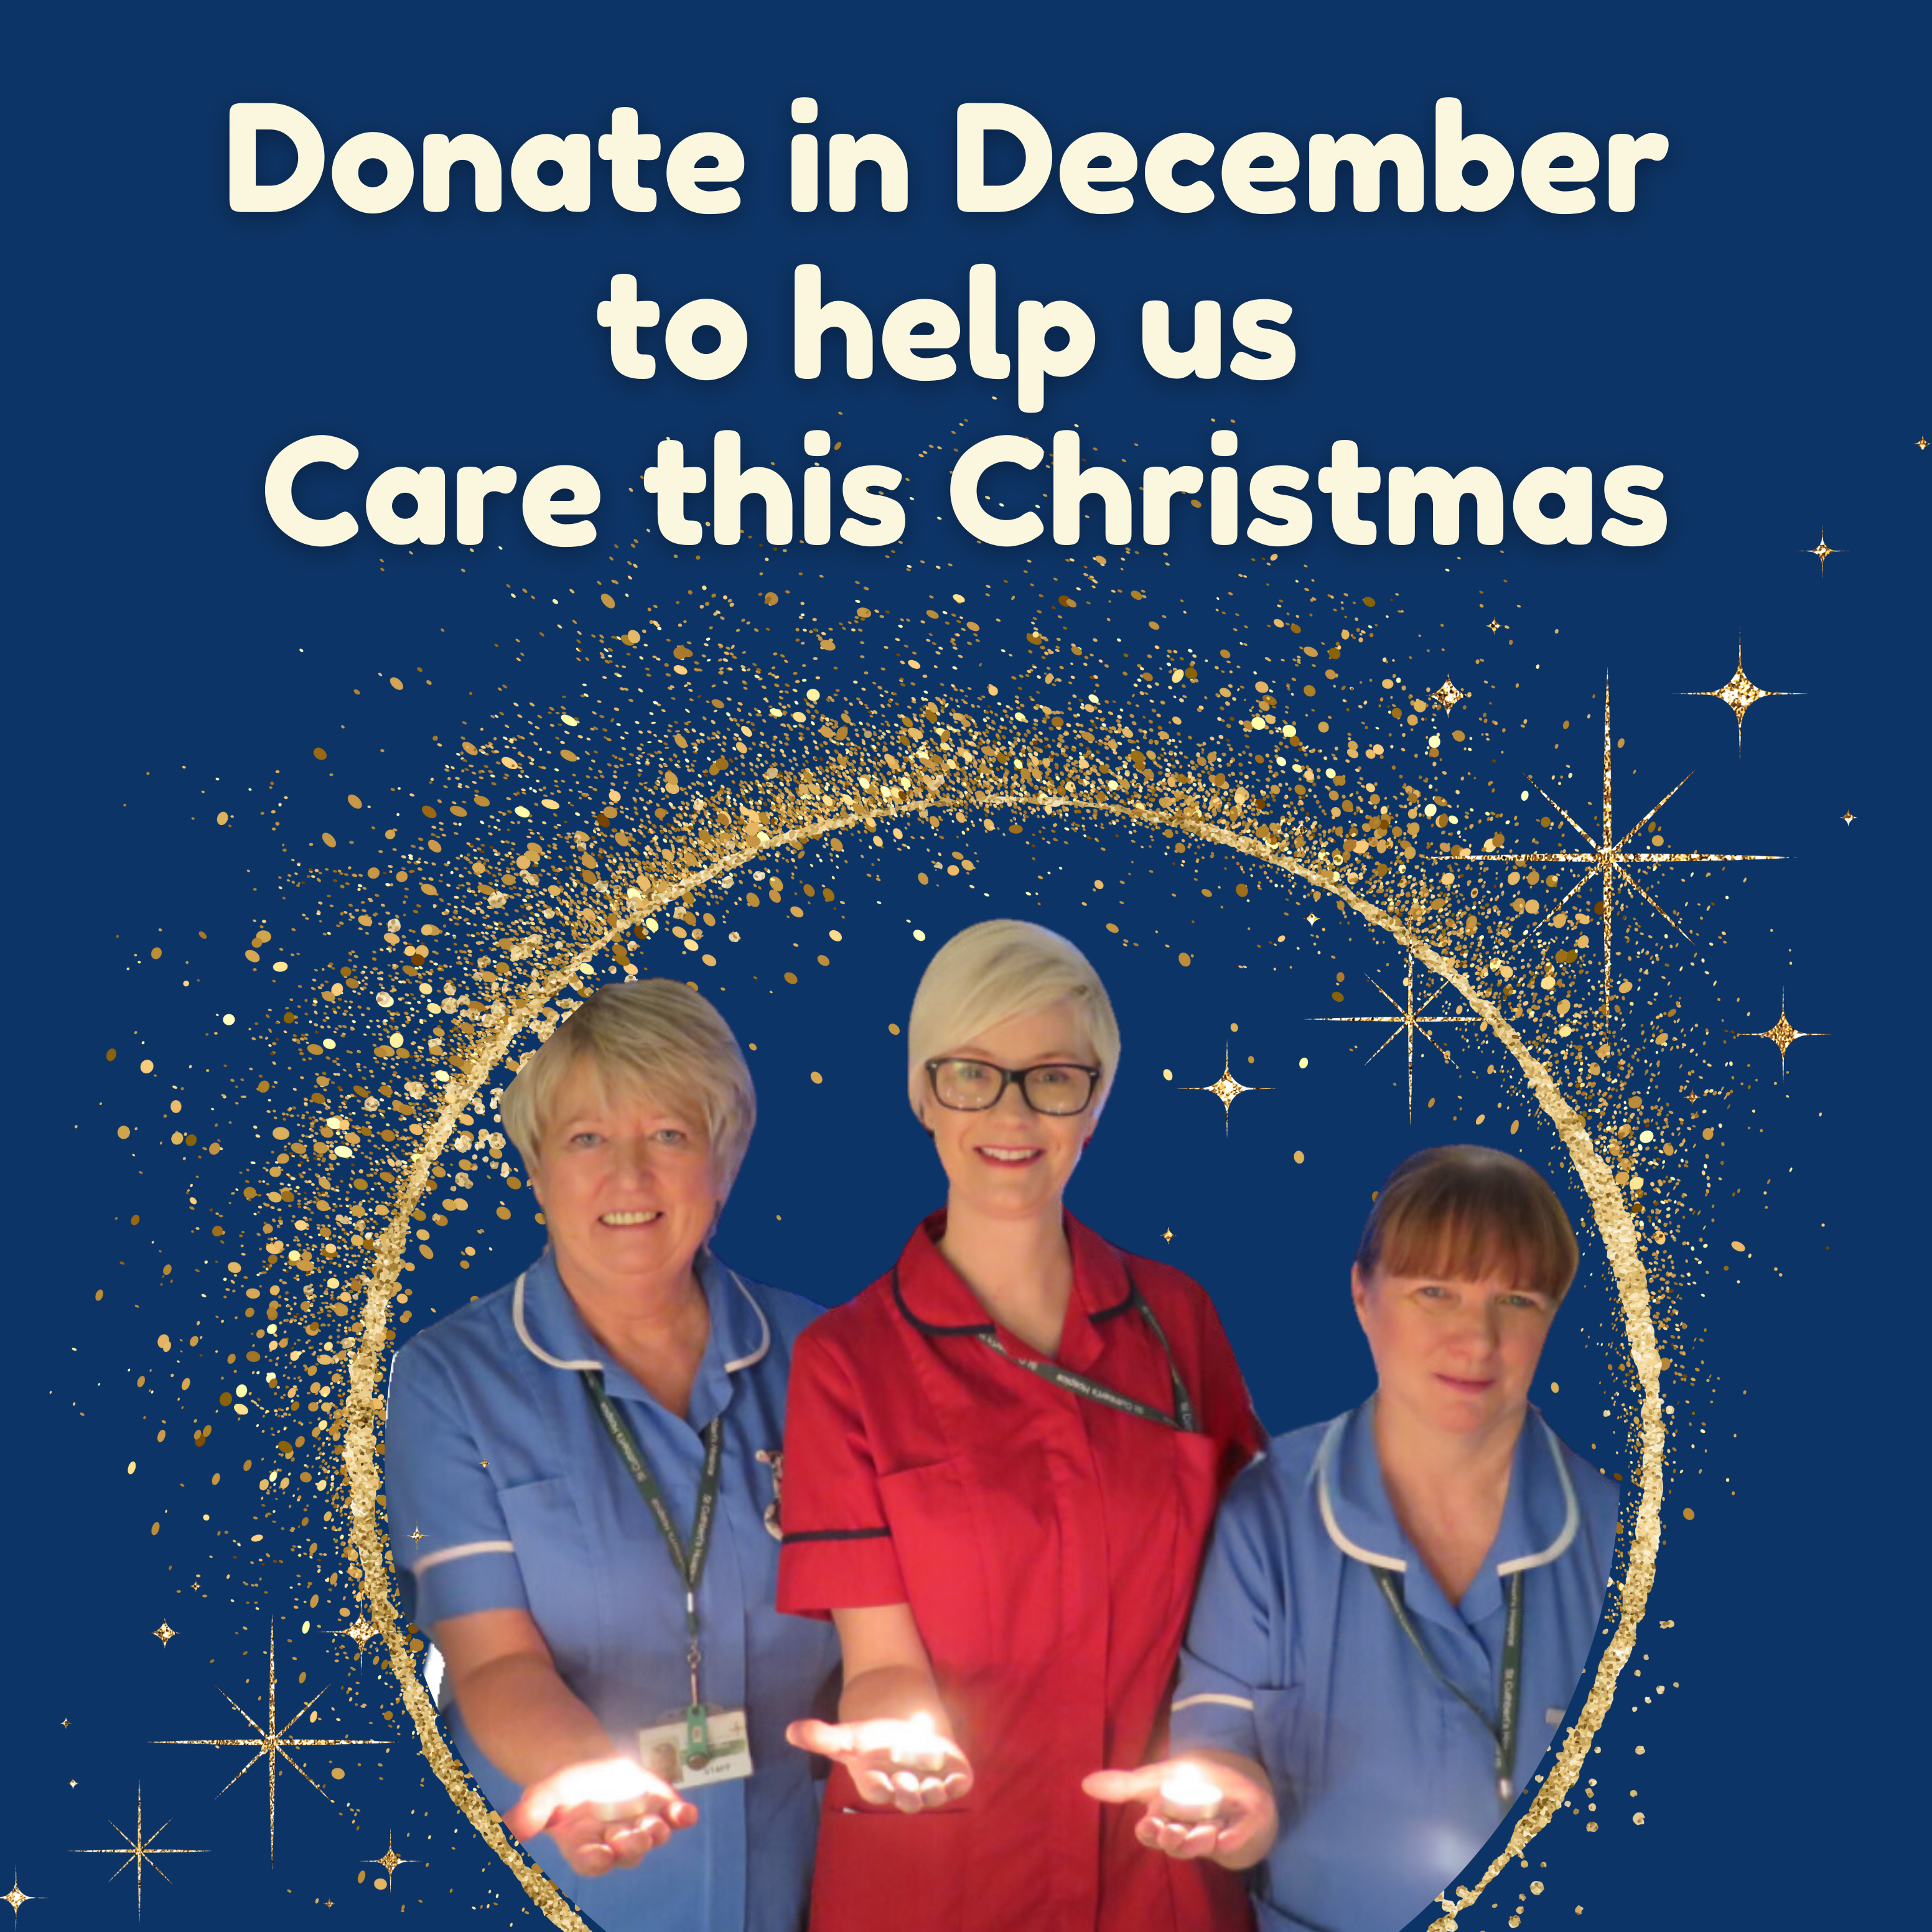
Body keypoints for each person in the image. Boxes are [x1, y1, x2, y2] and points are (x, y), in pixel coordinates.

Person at [775, 920, 1266, 1932]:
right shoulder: (846, 1364)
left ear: (1095, 1106)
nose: (1011, 1111)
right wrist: (890, 1744)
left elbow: (1257, 1609)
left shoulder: (1180, 1326)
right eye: (971, 1074)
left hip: (1159, 1877)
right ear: (923, 1093)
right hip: (940, 1877)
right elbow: (881, 1665)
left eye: (1053, 1077)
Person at [384, 979, 840, 1932]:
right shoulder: (447, 1380)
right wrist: (583, 1775)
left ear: (724, 1163)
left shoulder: (828, 1359)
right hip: (576, 1881)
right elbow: (490, 1659)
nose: (629, 1178)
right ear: (537, 1169)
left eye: (669, 1136)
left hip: (804, 1885)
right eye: (587, 1139)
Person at [1086, 1147, 1620, 1932]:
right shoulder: (1266, 1518)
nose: (1475, 1339)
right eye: (1434, 1292)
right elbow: (1221, 1752)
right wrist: (1232, 1809)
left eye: (1515, 1300)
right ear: (1362, 1295)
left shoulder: (1623, 1543)